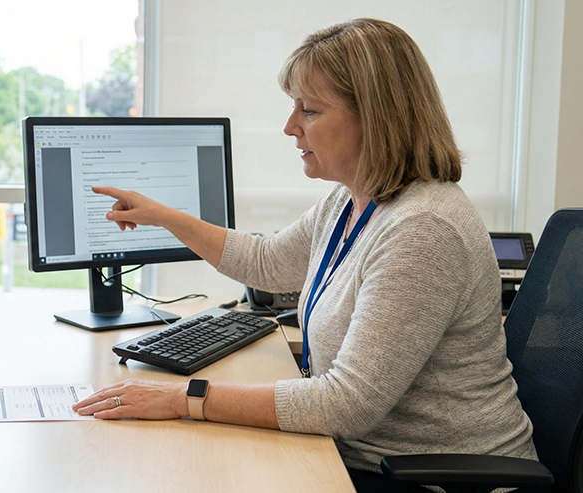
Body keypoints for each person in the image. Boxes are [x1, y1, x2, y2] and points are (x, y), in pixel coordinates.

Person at [72, 18, 536, 491]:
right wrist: (165, 216)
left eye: (309, 111)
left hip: (438, 477)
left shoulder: (422, 230)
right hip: (367, 454)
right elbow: (267, 263)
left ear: (376, 118)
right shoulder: (353, 200)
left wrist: (182, 398)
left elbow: (345, 405)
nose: (290, 127)